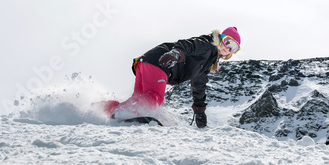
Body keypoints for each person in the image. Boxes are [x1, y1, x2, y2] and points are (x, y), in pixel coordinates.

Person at [98, 27, 241, 128]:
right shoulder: (207, 44)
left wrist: (199, 111)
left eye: (233, 47)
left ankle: (101, 109)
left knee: (138, 100)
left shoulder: (206, 62)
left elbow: (199, 84)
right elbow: (188, 45)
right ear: (221, 38)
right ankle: (119, 114)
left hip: (147, 62)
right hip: (160, 62)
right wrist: (176, 54)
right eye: (228, 42)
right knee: (154, 98)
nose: (227, 48)